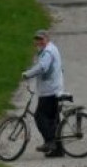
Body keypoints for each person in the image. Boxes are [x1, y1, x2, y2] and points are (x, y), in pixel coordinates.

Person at [22, 28, 65, 158]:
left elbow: (42, 67)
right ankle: (58, 150)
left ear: (47, 39)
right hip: (55, 89)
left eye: (41, 39)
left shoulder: (47, 52)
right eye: (37, 39)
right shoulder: (51, 49)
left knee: (39, 116)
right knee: (53, 121)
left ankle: (50, 142)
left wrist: (27, 74)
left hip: (50, 91)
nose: (38, 42)